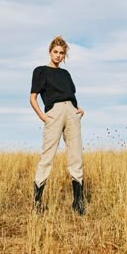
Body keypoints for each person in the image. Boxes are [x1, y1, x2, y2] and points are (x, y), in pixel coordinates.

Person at [30, 36, 85, 215]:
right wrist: (43, 117)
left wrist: (78, 110)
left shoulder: (66, 74)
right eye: (55, 52)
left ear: (64, 55)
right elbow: (33, 97)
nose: (58, 55)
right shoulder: (40, 71)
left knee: (75, 155)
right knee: (47, 155)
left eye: (62, 53)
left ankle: (78, 202)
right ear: (50, 52)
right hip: (54, 113)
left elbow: (71, 95)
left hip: (71, 112)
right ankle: (37, 202)